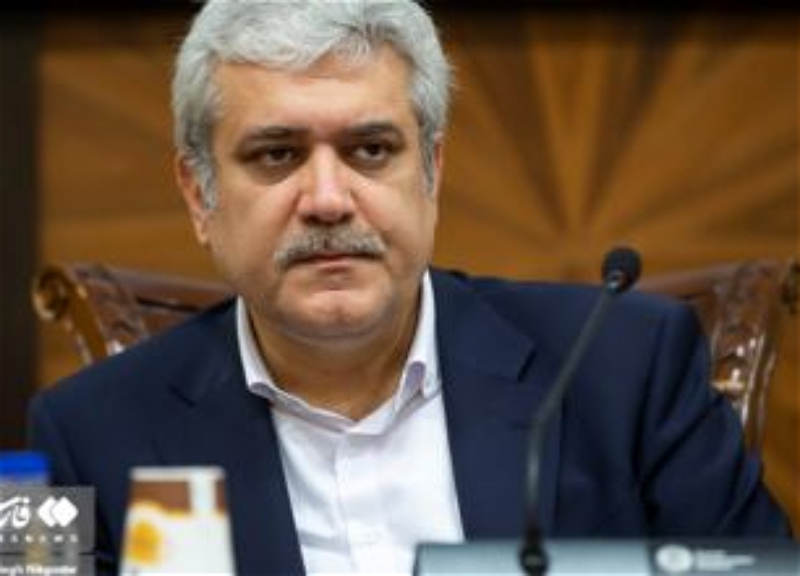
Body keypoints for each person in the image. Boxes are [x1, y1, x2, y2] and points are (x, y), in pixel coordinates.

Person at [28, 1, 791, 575]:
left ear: (431, 171)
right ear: (199, 194)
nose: (328, 199)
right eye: (276, 155)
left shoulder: (626, 365)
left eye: (370, 150)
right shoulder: (75, 432)